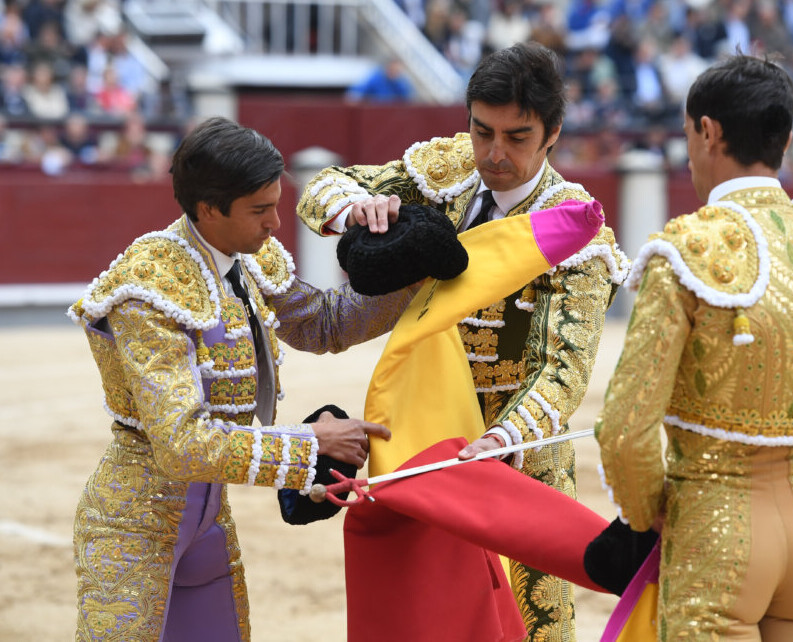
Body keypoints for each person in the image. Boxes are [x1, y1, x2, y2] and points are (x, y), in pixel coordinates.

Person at [296, 41, 629, 641]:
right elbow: (322, 186)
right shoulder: (446, 169)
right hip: (425, 446)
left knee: (531, 625)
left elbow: (564, 370)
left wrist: (504, 439)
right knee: (425, 615)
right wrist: (359, 210)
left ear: (552, 134)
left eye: (517, 137)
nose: (494, 154)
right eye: (483, 131)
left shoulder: (573, 228)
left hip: (513, 458)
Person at [594, 55, 793, 640]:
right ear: (784, 137)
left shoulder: (685, 251)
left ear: (706, 131)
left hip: (715, 533)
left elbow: (624, 431)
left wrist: (656, 515)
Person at [69, 116, 416, 641]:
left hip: (207, 521)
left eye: (275, 203)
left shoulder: (249, 256)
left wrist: (414, 275)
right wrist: (308, 443)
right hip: (133, 524)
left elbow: (323, 323)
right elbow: (181, 444)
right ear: (208, 209)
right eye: (260, 210)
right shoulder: (149, 288)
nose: (276, 222)